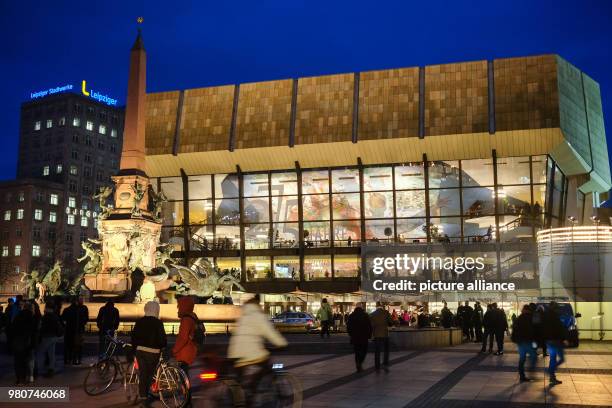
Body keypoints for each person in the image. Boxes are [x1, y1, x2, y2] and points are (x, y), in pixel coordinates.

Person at [228, 294, 287, 393]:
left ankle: (240, 396)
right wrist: (282, 343)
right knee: (265, 363)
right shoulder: (258, 315)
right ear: (257, 305)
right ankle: (251, 392)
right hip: (250, 352)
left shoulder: (243, 316)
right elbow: (270, 332)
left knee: (239, 381)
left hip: (234, 352)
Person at [132, 301, 168, 405]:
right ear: (156, 310)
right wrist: (163, 346)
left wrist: (134, 349)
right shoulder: (158, 322)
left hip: (140, 351)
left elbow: (134, 336)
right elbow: (162, 339)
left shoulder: (140, 321)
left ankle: (143, 395)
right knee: (150, 373)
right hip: (153, 352)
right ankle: (146, 393)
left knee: (143, 373)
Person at [172, 296, 199, 375]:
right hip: (191, 350)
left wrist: (174, 350)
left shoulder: (186, 319)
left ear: (184, 306)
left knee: (183, 377)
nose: (178, 308)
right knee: (186, 376)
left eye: (179, 306)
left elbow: (183, 338)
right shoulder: (193, 317)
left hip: (184, 353)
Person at [543, 302, 567, 386]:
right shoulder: (554, 316)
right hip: (555, 340)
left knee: (553, 358)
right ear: (554, 307)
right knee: (561, 359)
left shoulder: (546, 315)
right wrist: (563, 338)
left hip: (549, 340)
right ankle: (550, 371)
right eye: (556, 307)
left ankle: (552, 377)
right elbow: (559, 328)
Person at [11, 301, 35, 384]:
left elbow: (12, 329)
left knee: (17, 360)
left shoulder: (18, 316)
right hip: (26, 341)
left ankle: (18, 378)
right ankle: (24, 378)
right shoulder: (31, 317)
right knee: (25, 360)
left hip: (17, 341)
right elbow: (33, 331)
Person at [38, 303, 64, 377]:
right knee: (51, 353)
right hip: (54, 337)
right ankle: (51, 369)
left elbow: (41, 327)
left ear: (48, 309)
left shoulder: (45, 317)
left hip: (47, 337)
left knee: (40, 352)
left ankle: (35, 369)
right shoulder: (55, 317)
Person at [512, 304, 537, 382]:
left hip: (521, 341)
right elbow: (534, 329)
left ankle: (522, 376)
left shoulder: (519, 318)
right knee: (533, 356)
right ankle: (530, 371)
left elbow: (514, 329)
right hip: (528, 341)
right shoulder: (531, 317)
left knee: (522, 359)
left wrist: (515, 339)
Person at [61, 297, 89, 365]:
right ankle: (76, 359)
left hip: (69, 330)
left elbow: (62, 319)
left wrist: (65, 326)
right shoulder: (80, 310)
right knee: (78, 346)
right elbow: (85, 319)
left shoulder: (67, 310)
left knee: (68, 346)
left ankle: (68, 359)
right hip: (78, 330)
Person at [346, 304, 372, 372]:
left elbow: (348, 327)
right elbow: (369, 326)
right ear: (362, 309)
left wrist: (351, 334)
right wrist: (369, 335)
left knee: (357, 351)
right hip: (364, 337)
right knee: (364, 350)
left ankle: (358, 363)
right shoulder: (365, 315)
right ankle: (360, 362)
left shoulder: (351, 316)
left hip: (355, 337)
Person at [369, 302, 393, 372]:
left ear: (376, 307)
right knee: (386, 350)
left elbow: (371, 326)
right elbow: (391, 322)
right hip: (385, 334)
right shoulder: (386, 313)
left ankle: (377, 366)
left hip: (376, 335)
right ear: (382, 306)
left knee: (377, 351)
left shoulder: (372, 314)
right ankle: (385, 363)